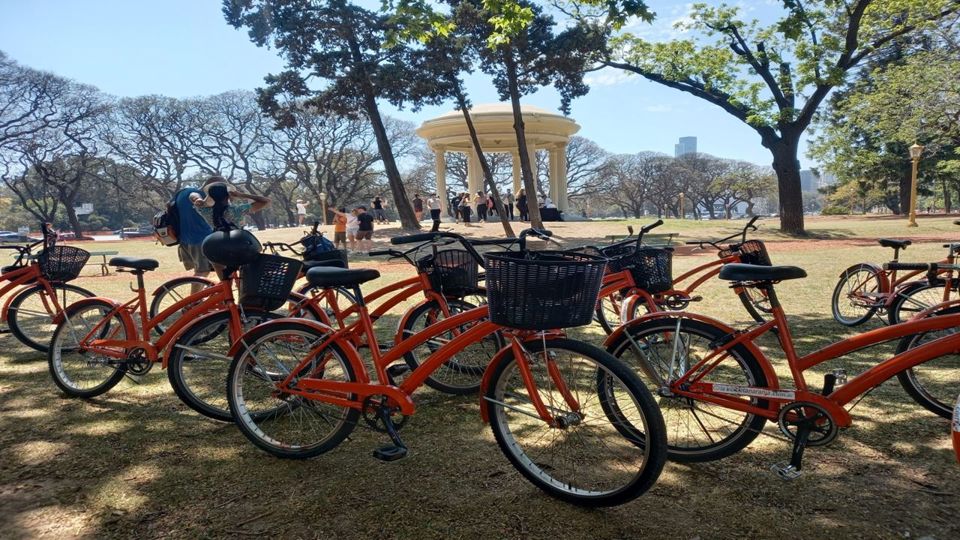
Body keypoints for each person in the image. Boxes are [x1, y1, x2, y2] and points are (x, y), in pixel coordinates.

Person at [177, 180, 215, 288]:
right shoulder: (200, 194)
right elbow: (194, 196)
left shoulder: (181, 193)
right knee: (202, 272)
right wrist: (198, 199)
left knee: (204, 271)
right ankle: (193, 303)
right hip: (200, 238)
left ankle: (213, 298)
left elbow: (168, 205)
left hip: (185, 239)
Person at [195, 179, 270, 230]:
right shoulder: (238, 210)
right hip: (238, 244)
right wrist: (242, 195)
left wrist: (200, 199)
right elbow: (266, 201)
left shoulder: (205, 211)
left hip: (219, 246)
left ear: (211, 197)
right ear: (228, 196)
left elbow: (192, 195)